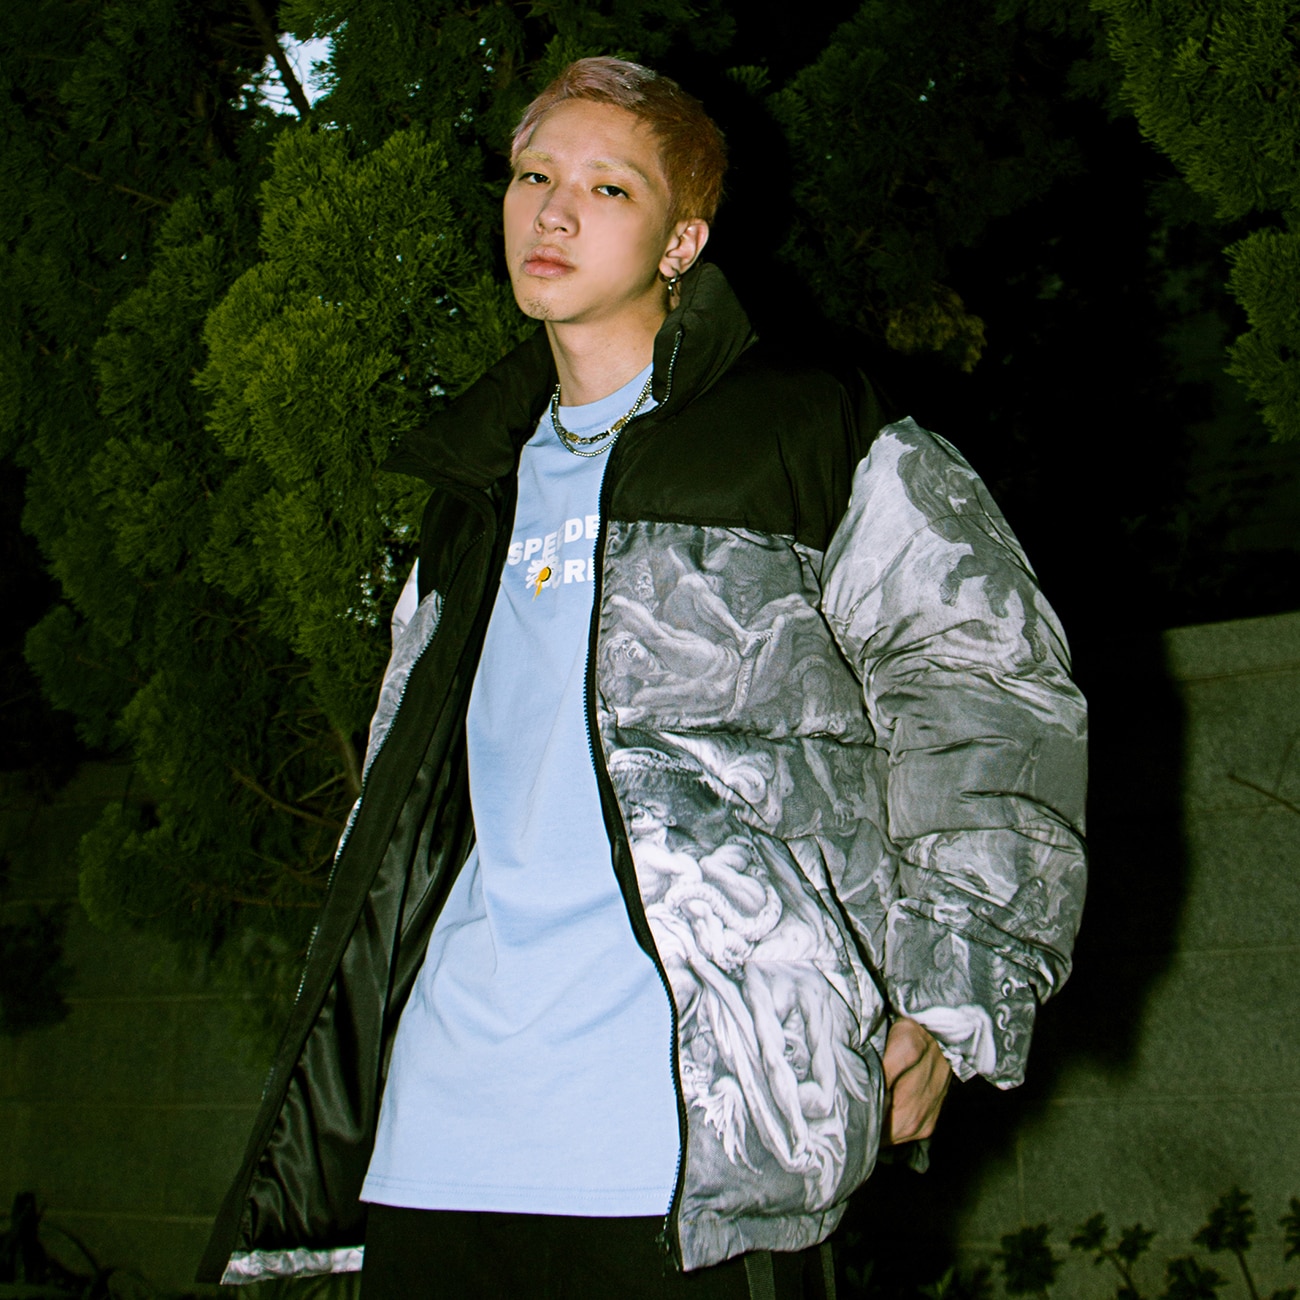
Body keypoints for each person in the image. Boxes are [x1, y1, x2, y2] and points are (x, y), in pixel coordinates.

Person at [199, 57, 1088, 1300]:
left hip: (691, 1138)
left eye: (607, 187)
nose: (553, 211)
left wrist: (952, 997)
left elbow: (988, 691)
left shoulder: (812, 427)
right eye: (533, 176)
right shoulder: (469, 487)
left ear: (682, 242)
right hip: (438, 1129)